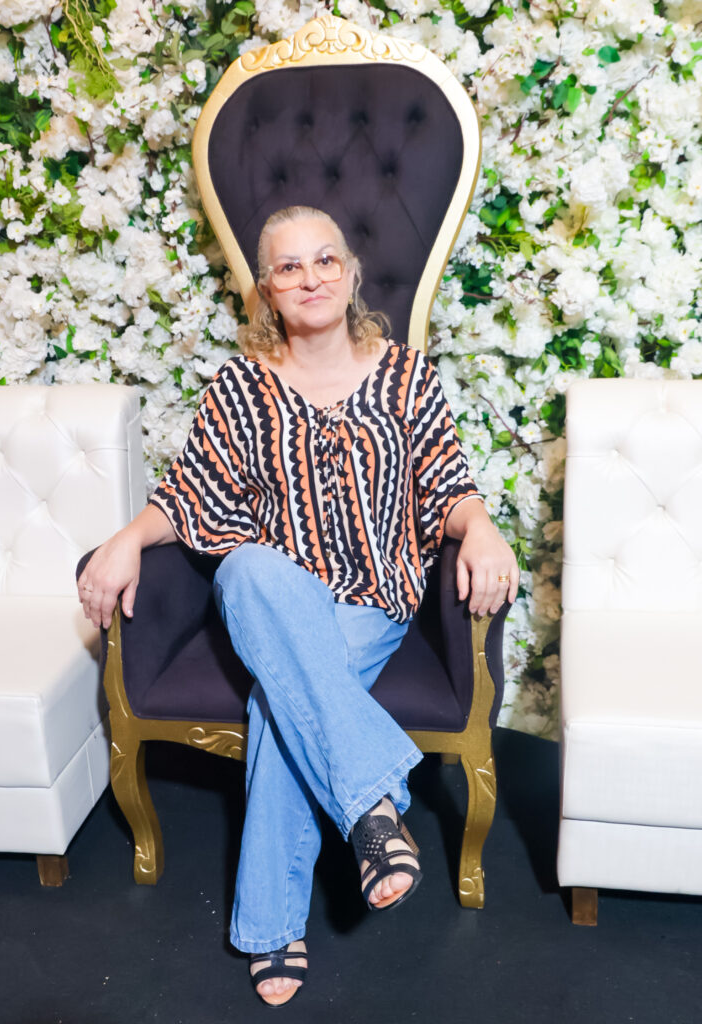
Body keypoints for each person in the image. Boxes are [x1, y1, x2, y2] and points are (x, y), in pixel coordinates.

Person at [77, 205, 519, 1008]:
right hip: (271, 596)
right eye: (289, 267)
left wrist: (482, 527)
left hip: (369, 601)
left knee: (277, 702)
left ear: (349, 274)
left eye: (325, 260)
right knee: (248, 566)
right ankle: (373, 810)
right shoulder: (241, 386)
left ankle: (272, 928)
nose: (310, 278)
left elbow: (448, 485)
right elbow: (191, 492)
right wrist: (126, 540)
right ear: (266, 291)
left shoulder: (407, 376)